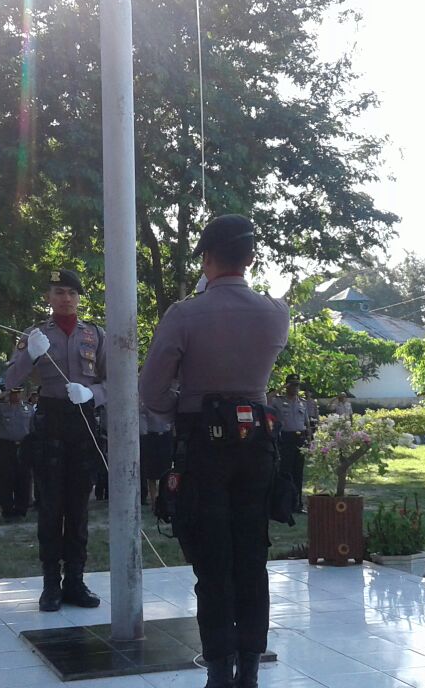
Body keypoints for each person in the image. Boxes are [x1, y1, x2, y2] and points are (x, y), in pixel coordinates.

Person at [139, 213, 289, 688]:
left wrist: (182, 410)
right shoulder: (275, 312)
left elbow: (152, 391)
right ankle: (249, 668)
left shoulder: (184, 314)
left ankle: (219, 668)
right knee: (251, 557)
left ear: (206, 257)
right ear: (250, 258)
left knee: (211, 561)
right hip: (258, 447)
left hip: (203, 447)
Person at [4, 269, 106, 611]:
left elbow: (117, 381)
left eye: (71, 293)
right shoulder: (35, 334)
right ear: (48, 298)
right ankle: (50, 584)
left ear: (79, 298)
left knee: (78, 507)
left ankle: (75, 581)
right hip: (49, 421)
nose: (65, 298)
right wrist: (30, 354)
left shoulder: (95, 334)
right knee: (50, 507)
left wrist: (91, 393)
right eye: (59, 292)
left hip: (82, 420)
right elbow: (10, 379)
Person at [0, 386, 34, 520]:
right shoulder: (2, 407)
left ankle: (21, 509)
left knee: (24, 478)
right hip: (6, 446)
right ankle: (7, 510)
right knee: (5, 479)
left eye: (18, 392)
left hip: (24, 446)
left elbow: (33, 429)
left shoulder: (28, 408)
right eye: (13, 392)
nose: (16, 395)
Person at [272, 374, 312, 514]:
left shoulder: (302, 402)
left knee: (298, 472)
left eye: (297, 385)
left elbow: (306, 423)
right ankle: (284, 505)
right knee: (285, 471)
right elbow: (266, 399)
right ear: (287, 385)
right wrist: (282, 388)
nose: (295, 388)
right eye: (292, 384)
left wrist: (309, 439)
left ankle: (298, 504)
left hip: (300, 438)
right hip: (286, 438)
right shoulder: (278, 401)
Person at [140, 403, 173, 508]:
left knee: (166, 471)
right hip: (151, 437)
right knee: (151, 472)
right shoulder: (147, 404)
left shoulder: (169, 403)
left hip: (166, 436)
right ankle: (154, 502)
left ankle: (165, 500)